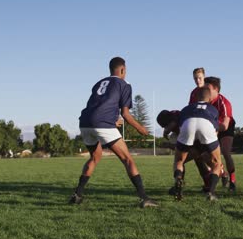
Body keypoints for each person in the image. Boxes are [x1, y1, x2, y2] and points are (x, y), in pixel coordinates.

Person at [69, 57, 158, 208]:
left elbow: (98, 105)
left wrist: (111, 121)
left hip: (85, 122)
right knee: (128, 160)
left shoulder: (99, 83)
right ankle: (144, 198)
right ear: (123, 69)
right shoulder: (124, 84)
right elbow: (126, 113)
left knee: (95, 157)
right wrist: (140, 128)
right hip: (102, 124)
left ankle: (77, 194)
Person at [172, 87, 223, 201]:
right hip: (206, 125)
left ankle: (178, 178)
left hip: (187, 124)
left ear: (195, 97)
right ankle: (211, 192)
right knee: (217, 163)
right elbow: (216, 130)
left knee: (179, 161)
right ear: (210, 98)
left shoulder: (186, 108)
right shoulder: (213, 109)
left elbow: (180, 127)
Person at [157, 109, 213, 191]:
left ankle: (179, 182)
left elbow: (173, 124)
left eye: (165, 126)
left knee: (180, 160)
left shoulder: (177, 121)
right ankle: (211, 182)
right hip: (201, 136)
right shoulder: (180, 119)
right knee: (199, 160)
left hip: (199, 138)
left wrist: (166, 132)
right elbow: (180, 147)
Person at [205, 76, 237, 191]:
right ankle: (222, 173)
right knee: (205, 153)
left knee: (225, 152)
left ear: (216, 89)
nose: (205, 90)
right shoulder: (204, 101)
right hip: (212, 128)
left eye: (207, 88)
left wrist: (213, 130)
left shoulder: (224, 103)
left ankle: (232, 181)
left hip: (225, 127)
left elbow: (225, 125)